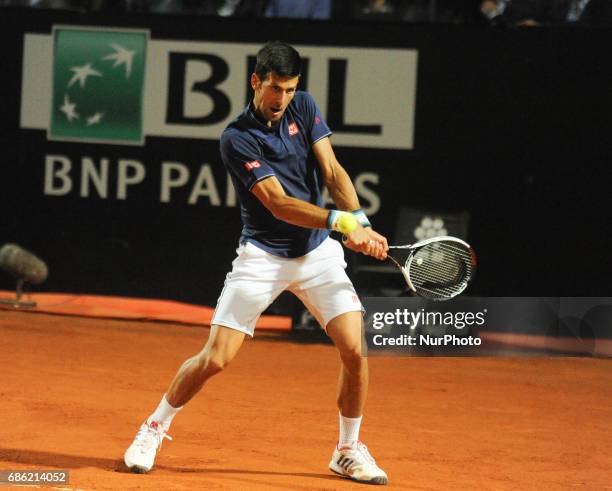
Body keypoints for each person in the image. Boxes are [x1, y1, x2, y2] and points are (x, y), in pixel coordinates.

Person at [123, 41, 390, 485]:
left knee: (354, 350)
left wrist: (359, 219)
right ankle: (153, 427)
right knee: (215, 358)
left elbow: (331, 170)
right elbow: (278, 204)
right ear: (256, 81)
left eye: (288, 89)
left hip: (317, 253)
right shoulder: (237, 137)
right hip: (262, 256)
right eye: (274, 89)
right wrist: (343, 221)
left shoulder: (303, 106)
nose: (281, 99)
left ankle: (347, 449)